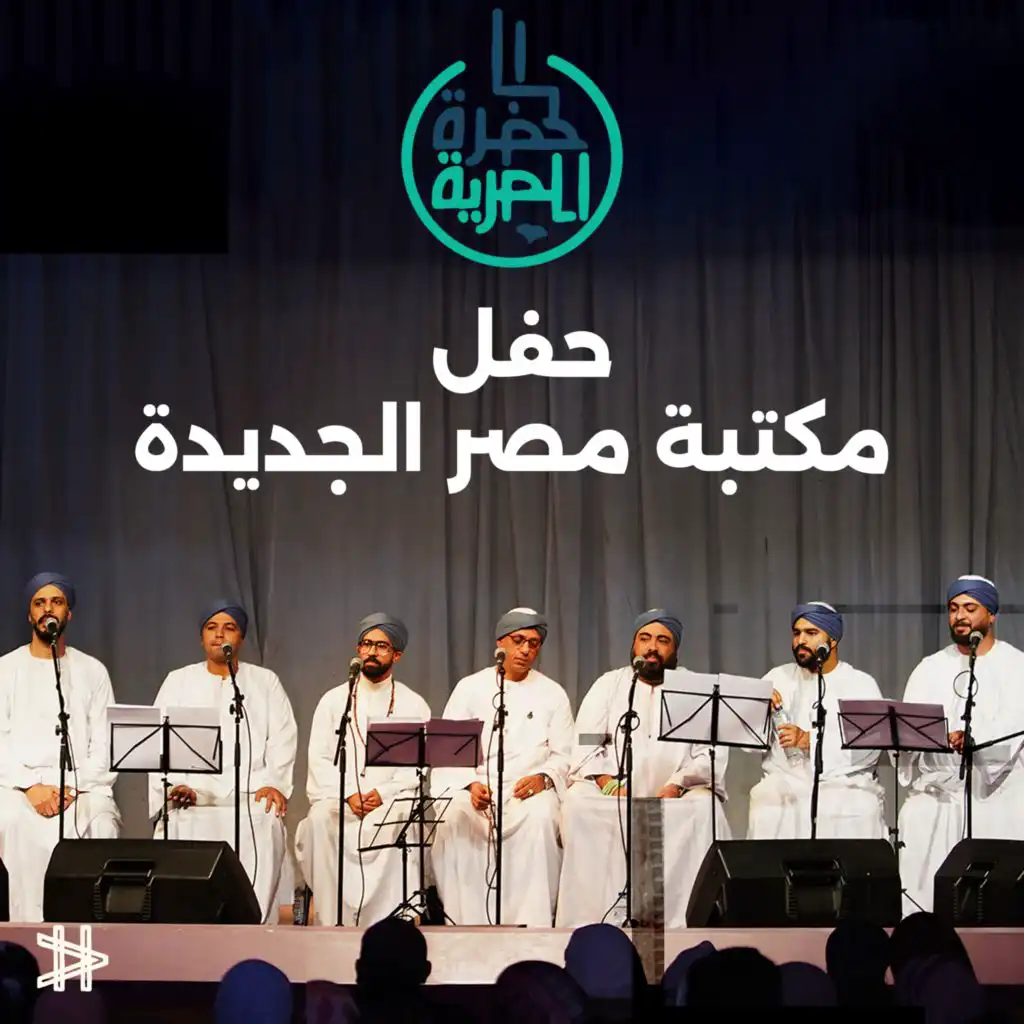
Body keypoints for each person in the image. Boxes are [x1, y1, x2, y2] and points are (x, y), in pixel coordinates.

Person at [556, 609, 730, 929]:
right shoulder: (609, 685)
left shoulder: (695, 687)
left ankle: (685, 918)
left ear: (675, 649)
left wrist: (678, 784)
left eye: (662, 641)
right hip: (614, 790)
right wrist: (607, 782)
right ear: (634, 644)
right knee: (577, 804)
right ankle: (590, 919)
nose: (652, 647)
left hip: (677, 791)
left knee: (706, 808)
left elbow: (710, 754)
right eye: (645, 638)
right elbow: (588, 742)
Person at [147, 600, 298, 924]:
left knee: (265, 821)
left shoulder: (265, 682)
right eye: (211, 628)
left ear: (240, 637)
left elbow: (283, 737)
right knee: (178, 824)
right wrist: (175, 787)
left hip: (250, 795)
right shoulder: (178, 680)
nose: (219, 635)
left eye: (229, 628)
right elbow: (158, 741)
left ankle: (253, 924)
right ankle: (185, 927)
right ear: (201, 637)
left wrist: (274, 784)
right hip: (192, 795)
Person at [429, 608, 574, 927]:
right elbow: (448, 752)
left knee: (542, 815)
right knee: (453, 815)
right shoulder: (469, 688)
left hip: (527, 793)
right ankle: (464, 921)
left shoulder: (553, 694)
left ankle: (532, 924)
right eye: (518, 640)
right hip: (477, 789)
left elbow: (565, 755)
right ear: (500, 643)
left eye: (533, 643)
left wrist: (543, 778)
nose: (525, 649)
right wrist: (469, 785)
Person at [896, 575, 1024, 915]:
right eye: (953, 609)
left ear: (991, 615)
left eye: (970, 608)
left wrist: (974, 741)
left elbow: (1014, 727)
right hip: (937, 798)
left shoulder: (1017, 666)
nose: (959, 616)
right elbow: (909, 728)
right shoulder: (929, 668)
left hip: (995, 797)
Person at [294, 613, 431, 926]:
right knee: (318, 820)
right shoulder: (334, 701)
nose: (372, 651)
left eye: (381, 646)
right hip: (342, 800)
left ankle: (392, 923)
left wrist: (381, 794)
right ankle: (332, 918)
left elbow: (418, 767)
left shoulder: (413, 704)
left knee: (400, 819)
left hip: (390, 801)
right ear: (358, 649)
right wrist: (348, 795)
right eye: (367, 644)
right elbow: (319, 759)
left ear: (397, 655)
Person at [0, 573, 121, 922]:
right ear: (29, 615)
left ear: (69, 613)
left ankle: (95, 932)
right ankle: (26, 929)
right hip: (19, 788)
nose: (48, 609)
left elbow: (106, 744)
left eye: (56, 602)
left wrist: (73, 786)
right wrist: (31, 787)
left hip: (80, 788)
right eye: (39, 603)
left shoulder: (92, 671)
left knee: (102, 820)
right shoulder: (6, 669)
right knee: (12, 820)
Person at [747, 602, 886, 841]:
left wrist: (810, 741)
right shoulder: (776, 678)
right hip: (785, 783)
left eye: (811, 633)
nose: (801, 640)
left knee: (857, 805)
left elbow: (871, 750)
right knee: (765, 801)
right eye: (796, 633)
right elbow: (749, 744)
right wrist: (758, 708)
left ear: (833, 640)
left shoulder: (860, 683)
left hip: (843, 784)